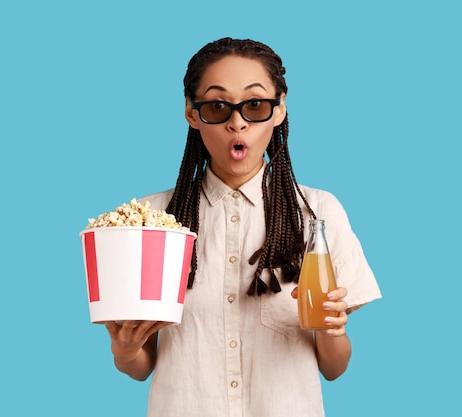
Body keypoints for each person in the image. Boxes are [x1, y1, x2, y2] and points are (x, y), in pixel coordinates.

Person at [104, 37, 381, 417]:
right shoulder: (152, 219)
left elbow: (334, 368)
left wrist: (333, 330)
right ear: (191, 112)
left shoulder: (318, 213)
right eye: (217, 106)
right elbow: (141, 366)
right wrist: (125, 350)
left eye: (254, 105)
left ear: (280, 109)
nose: (237, 122)